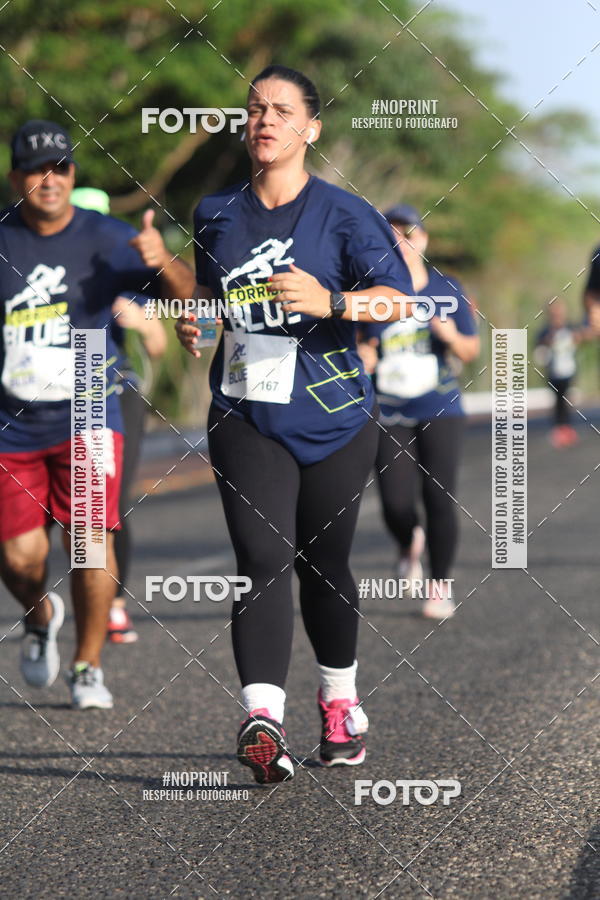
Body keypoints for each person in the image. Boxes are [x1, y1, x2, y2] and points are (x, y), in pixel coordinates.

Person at [176, 65, 413, 783]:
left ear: (311, 128)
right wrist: (199, 318)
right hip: (246, 412)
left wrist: (332, 301)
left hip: (338, 418)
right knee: (262, 560)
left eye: (281, 110)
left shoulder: (344, 214)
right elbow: (214, 294)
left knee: (324, 565)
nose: (265, 120)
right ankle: (263, 722)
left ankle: (340, 700)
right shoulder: (216, 211)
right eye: (254, 109)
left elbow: (399, 302)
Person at [0, 120, 194, 708]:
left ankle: (87, 664)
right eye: (36, 169)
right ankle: (39, 614)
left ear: (73, 175)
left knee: (87, 543)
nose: (49, 179)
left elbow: (188, 298)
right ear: (16, 178)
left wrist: (163, 261)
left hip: (88, 399)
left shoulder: (107, 237)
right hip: (12, 418)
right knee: (19, 554)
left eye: (59, 167)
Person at [358, 204, 479, 620]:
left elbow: (470, 350)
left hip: (439, 406)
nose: (401, 242)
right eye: (391, 235)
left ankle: (439, 585)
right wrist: (364, 357)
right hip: (387, 408)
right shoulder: (371, 290)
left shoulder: (446, 289)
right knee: (394, 502)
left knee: (439, 497)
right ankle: (409, 540)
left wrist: (445, 330)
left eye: (409, 233)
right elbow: (362, 346)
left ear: (423, 239)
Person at [71, 187, 168, 642]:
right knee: (68, 507)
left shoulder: (125, 276)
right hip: (63, 390)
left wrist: (141, 321)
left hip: (116, 387)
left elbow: (160, 345)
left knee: (111, 500)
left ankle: (113, 603)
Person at [534, 300, 581, 448]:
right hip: (554, 372)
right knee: (557, 400)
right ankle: (558, 428)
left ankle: (567, 427)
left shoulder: (570, 328)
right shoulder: (546, 331)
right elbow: (539, 348)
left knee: (567, 399)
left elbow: (581, 338)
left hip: (569, 371)